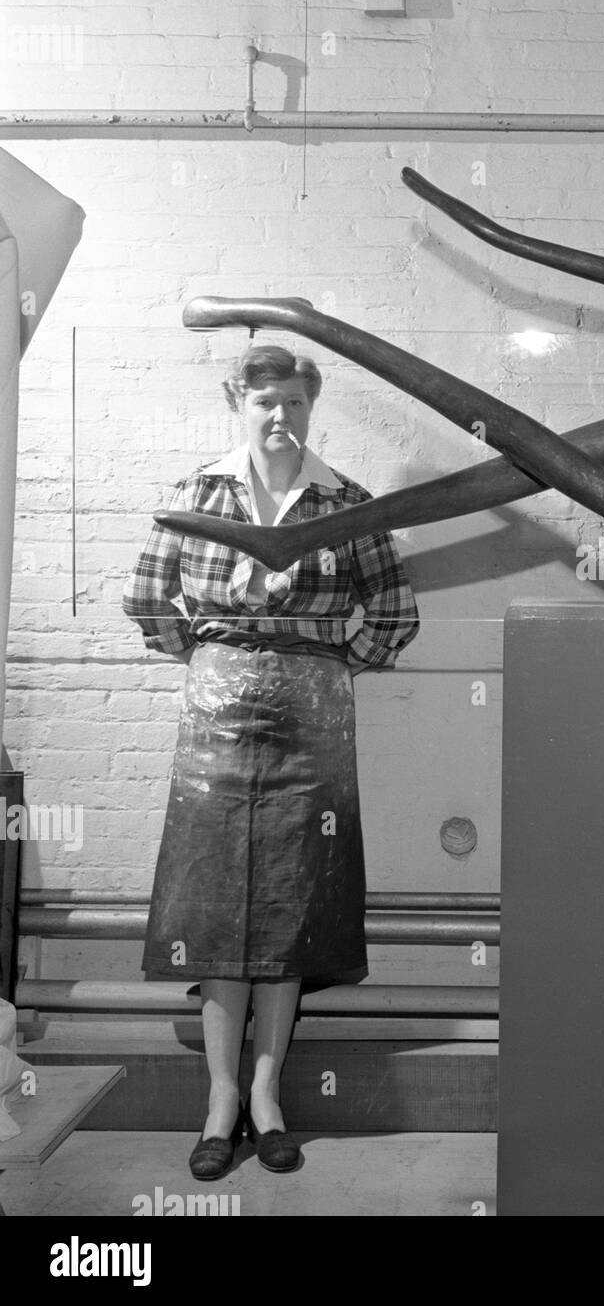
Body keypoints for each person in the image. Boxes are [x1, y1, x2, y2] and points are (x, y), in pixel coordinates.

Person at [122, 344, 419, 1179]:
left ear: (311, 406)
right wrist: (213, 655)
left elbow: (395, 611)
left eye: (294, 402)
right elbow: (149, 599)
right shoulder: (195, 495)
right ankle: (219, 1100)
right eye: (266, 403)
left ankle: (266, 1097)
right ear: (238, 405)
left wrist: (327, 664)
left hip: (311, 716)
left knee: (291, 903)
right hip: (218, 717)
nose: (281, 416)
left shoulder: (347, 503)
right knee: (218, 900)